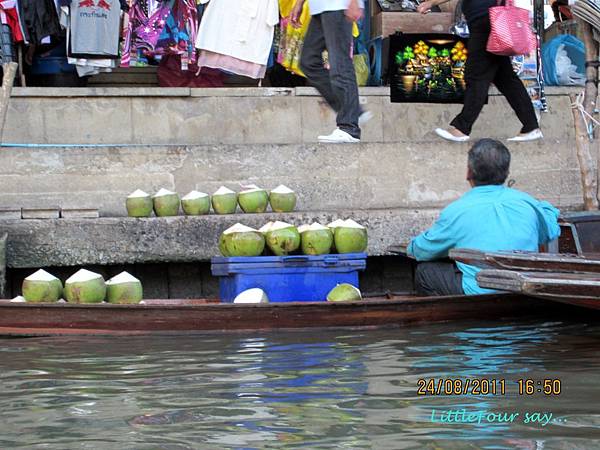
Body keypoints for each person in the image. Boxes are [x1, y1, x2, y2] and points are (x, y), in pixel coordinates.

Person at [407, 139, 560, 296]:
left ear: (469, 173)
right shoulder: (528, 202)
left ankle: (450, 314)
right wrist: (545, 208)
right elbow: (551, 231)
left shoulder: (457, 210)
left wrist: (411, 247)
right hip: (523, 288)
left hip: (480, 291)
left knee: (424, 272)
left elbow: (423, 251)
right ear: (506, 173)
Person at [417, 0, 543, 143]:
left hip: (485, 22)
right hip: (489, 20)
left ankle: (462, 127)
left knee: (476, 75)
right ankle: (531, 125)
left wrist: (430, 3)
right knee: (506, 79)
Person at [291, 0, 370, 144]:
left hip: (339, 5)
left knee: (340, 63)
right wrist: (299, 3)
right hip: (320, 7)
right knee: (308, 62)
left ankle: (349, 128)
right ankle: (353, 111)